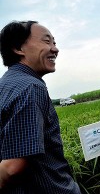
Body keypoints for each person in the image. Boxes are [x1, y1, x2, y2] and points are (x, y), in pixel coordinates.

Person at [0, 21, 81, 193]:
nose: (55, 49)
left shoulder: (5, 85)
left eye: (54, 42)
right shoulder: (30, 87)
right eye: (46, 41)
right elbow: (12, 167)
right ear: (18, 48)